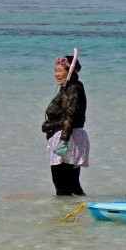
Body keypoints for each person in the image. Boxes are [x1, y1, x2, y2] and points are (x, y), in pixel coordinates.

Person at [41, 54, 89, 196]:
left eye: (60, 70)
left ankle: (66, 209)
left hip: (68, 138)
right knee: (72, 185)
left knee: (62, 185)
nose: (57, 74)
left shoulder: (73, 89)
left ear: (70, 71)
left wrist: (63, 141)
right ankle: (79, 207)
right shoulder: (67, 88)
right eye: (55, 70)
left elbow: (71, 116)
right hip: (67, 137)